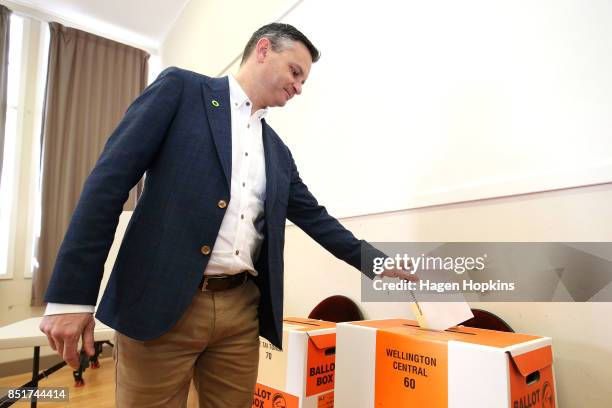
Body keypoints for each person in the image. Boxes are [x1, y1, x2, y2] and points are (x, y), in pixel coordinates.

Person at [39, 23, 412, 407]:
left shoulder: (277, 152)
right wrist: (70, 298)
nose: (299, 87)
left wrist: (378, 262)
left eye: (303, 81)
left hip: (239, 312)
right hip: (161, 305)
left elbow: (317, 219)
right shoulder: (182, 91)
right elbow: (107, 185)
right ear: (263, 50)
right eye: (295, 72)